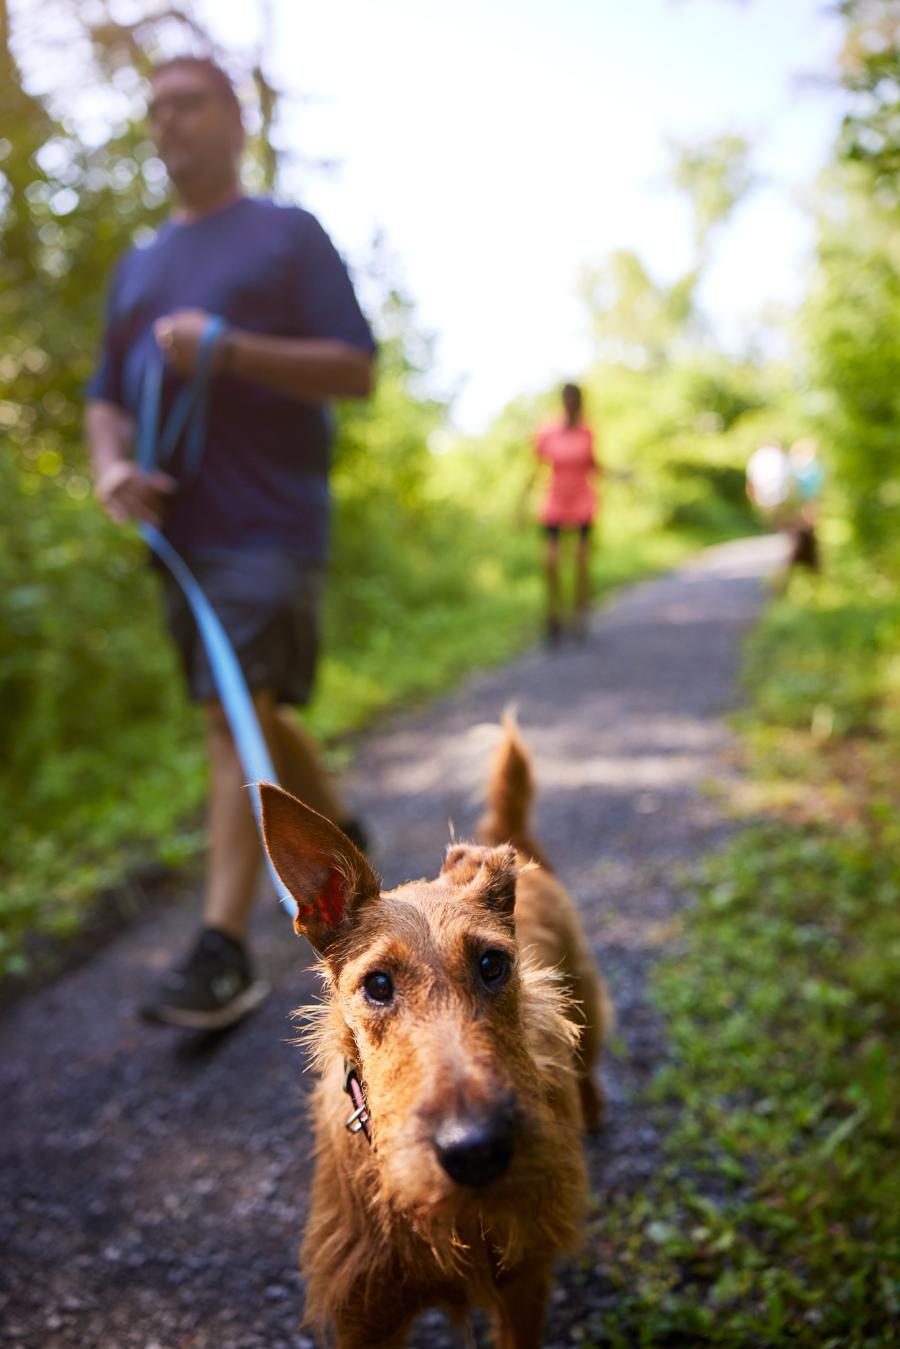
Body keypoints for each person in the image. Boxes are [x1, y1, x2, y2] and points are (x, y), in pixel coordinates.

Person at [85, 56, 376, 1030]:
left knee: (227, 713)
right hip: (180, 533)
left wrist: (228, 347)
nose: (170, 121)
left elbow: (356, 369)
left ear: (237, 119)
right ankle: (347, 843)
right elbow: (103, 401)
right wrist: (112, 467)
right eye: (156, 107)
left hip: (272, 519)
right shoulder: (138, 266)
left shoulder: (287, 236)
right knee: (252, 704)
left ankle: (223, 950)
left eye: (190, 103)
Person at [529, 383, 600, 643]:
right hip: (556, 499)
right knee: (550, 561)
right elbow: (537, 467)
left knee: (581, 560)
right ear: (563, 401)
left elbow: (594, 464)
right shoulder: (547, 431)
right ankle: (554, 615)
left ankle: (580, 615)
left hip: (582, 499)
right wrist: (522, 499)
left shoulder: (587, 431)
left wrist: (618, 475)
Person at [787, 437, 824, 575]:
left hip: (801, 507)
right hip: (805, 507)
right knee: (803, 541)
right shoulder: (811, 467)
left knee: (804, 541)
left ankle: (805, 574)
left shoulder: (797, 467)